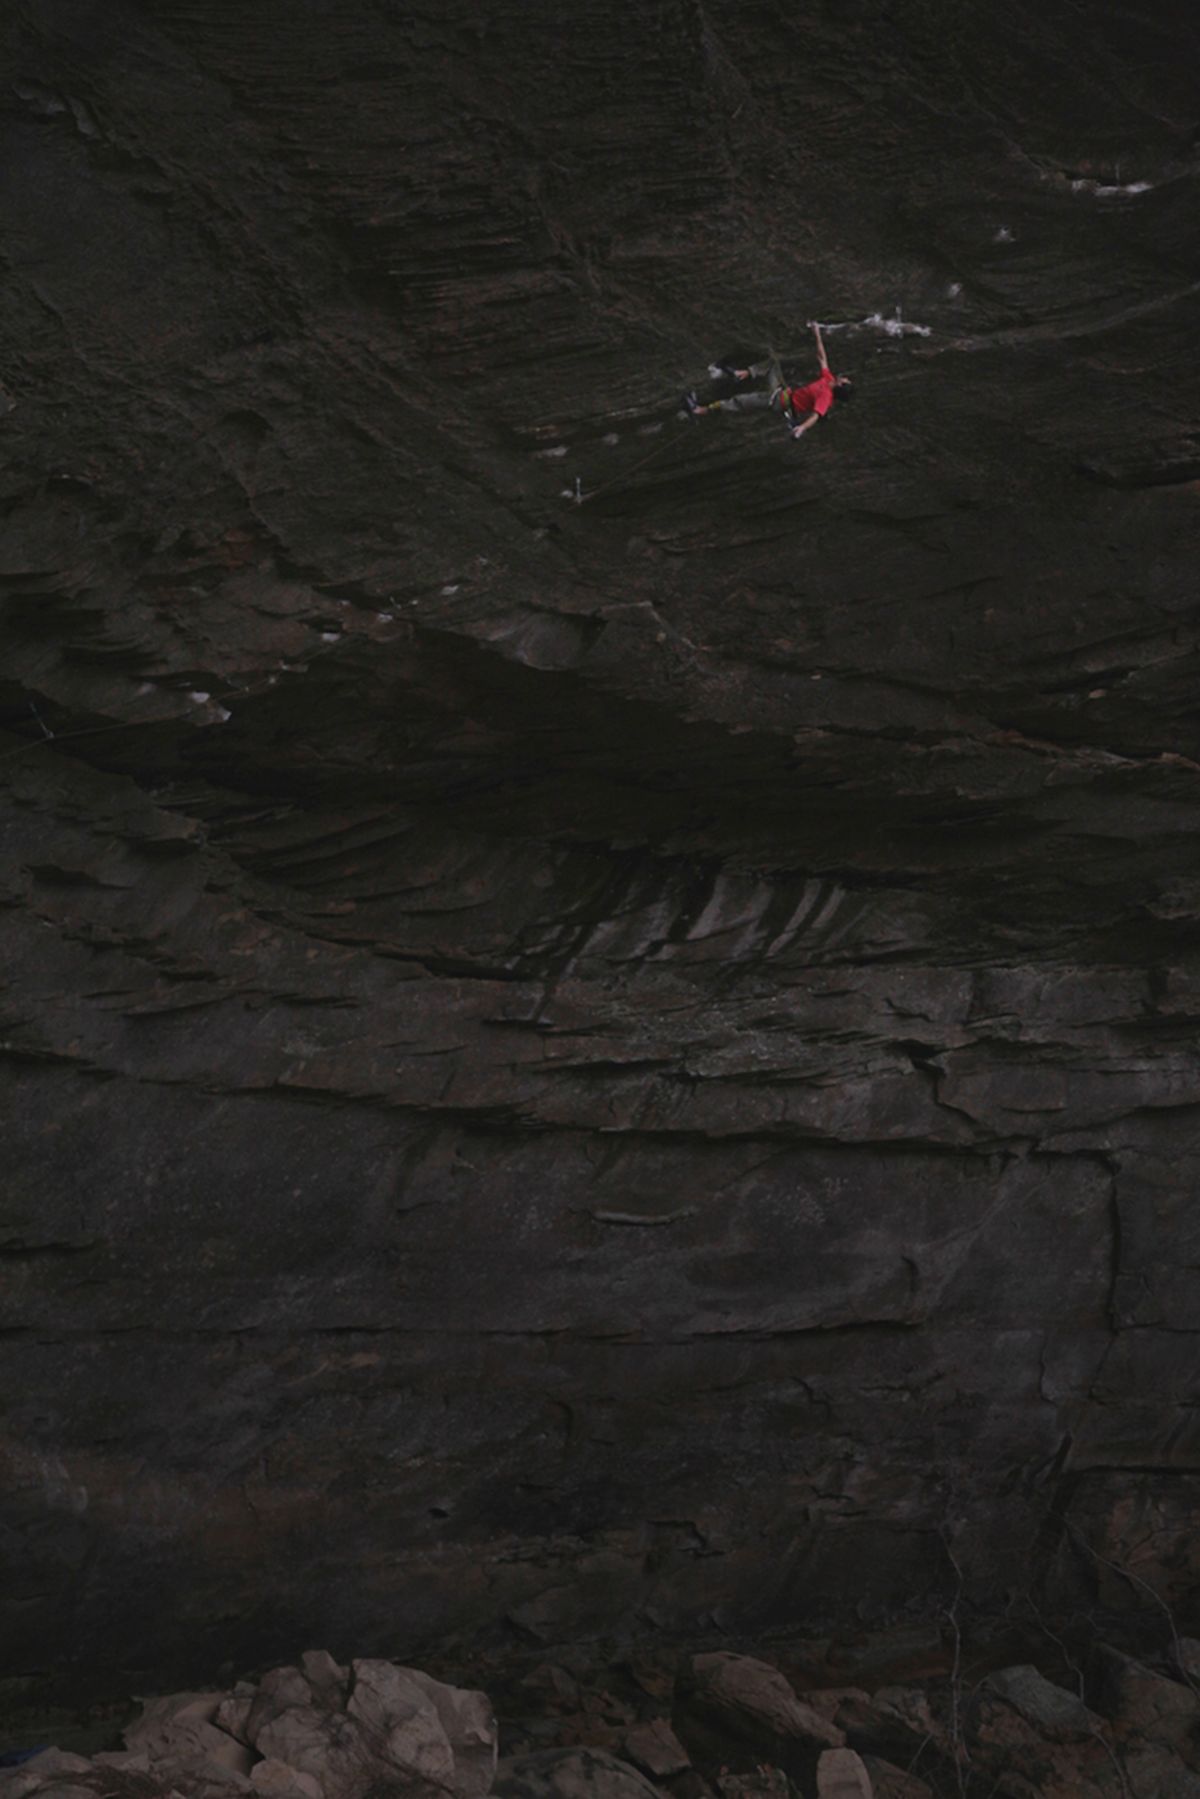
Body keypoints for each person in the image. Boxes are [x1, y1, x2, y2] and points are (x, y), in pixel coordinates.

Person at [683, 322, 853, 440]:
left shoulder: (826, 397)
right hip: (783, 391)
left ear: (841, 385)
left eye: (846, 380)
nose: (844, 377)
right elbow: (822, 357)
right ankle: (741, 374)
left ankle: (699, 410)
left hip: (778, 401)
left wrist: (801, 428)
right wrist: (817, 333)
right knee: (772, 363)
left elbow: (816, 416)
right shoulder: (829, 379)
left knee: (739, 402)